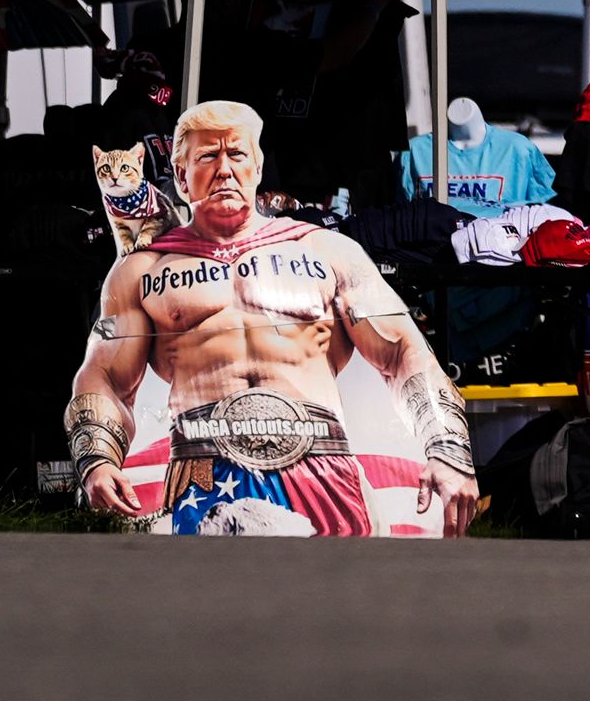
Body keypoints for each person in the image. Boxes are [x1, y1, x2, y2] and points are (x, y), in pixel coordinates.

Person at [66, 98, 475, 536]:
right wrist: (98, 460)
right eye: (207, 155)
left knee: (343, 598)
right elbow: (105, 375)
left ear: (258, 168)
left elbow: (403, 351)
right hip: (204, 473)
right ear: (181, 177)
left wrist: (449, 449)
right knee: (204, 601)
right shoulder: (142, 271)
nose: (224, 169)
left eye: (237, 154)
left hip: (323, 465)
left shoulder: (327, 252)